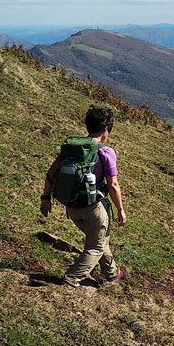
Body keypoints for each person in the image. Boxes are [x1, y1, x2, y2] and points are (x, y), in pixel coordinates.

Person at [41, 106, 129, 287]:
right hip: (93, 208)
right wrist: (120, 209)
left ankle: (111, 273)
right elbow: (112, 184)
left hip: (72, 206)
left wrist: (46, 198)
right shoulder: (106, 151)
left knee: (100, 239)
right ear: (106, 129)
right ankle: (71, 278)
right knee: (95, 246)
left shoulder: (73, 148)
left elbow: (50, 174)